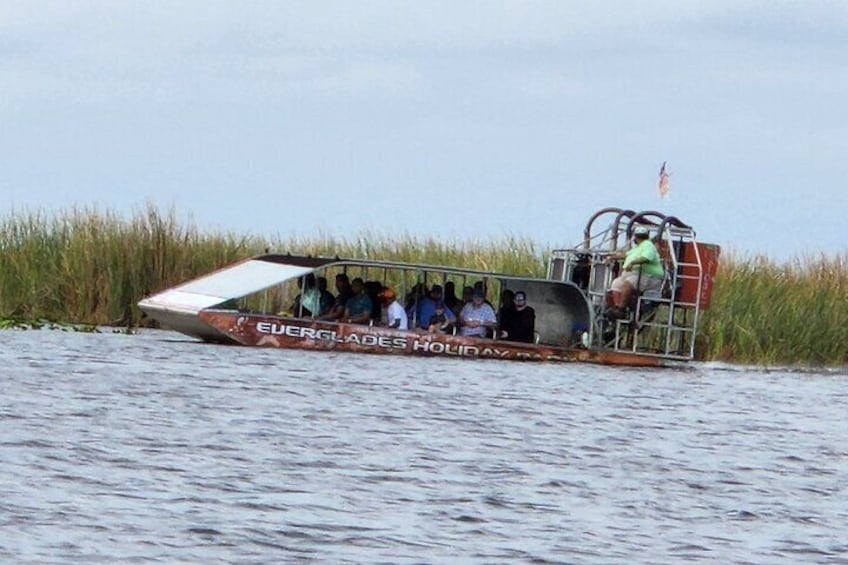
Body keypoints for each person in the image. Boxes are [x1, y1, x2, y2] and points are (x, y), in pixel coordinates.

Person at [607, 225, 665, 318]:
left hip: (648, 275)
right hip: (633, 274)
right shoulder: (638, 248)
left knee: (629, 283)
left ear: (636, 237)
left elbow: (646, 258)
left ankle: (621, 309)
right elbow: (626, 255)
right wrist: (612, 257)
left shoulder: (648, 245)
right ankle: (617, 308)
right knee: (616, 284)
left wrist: (632, 263)